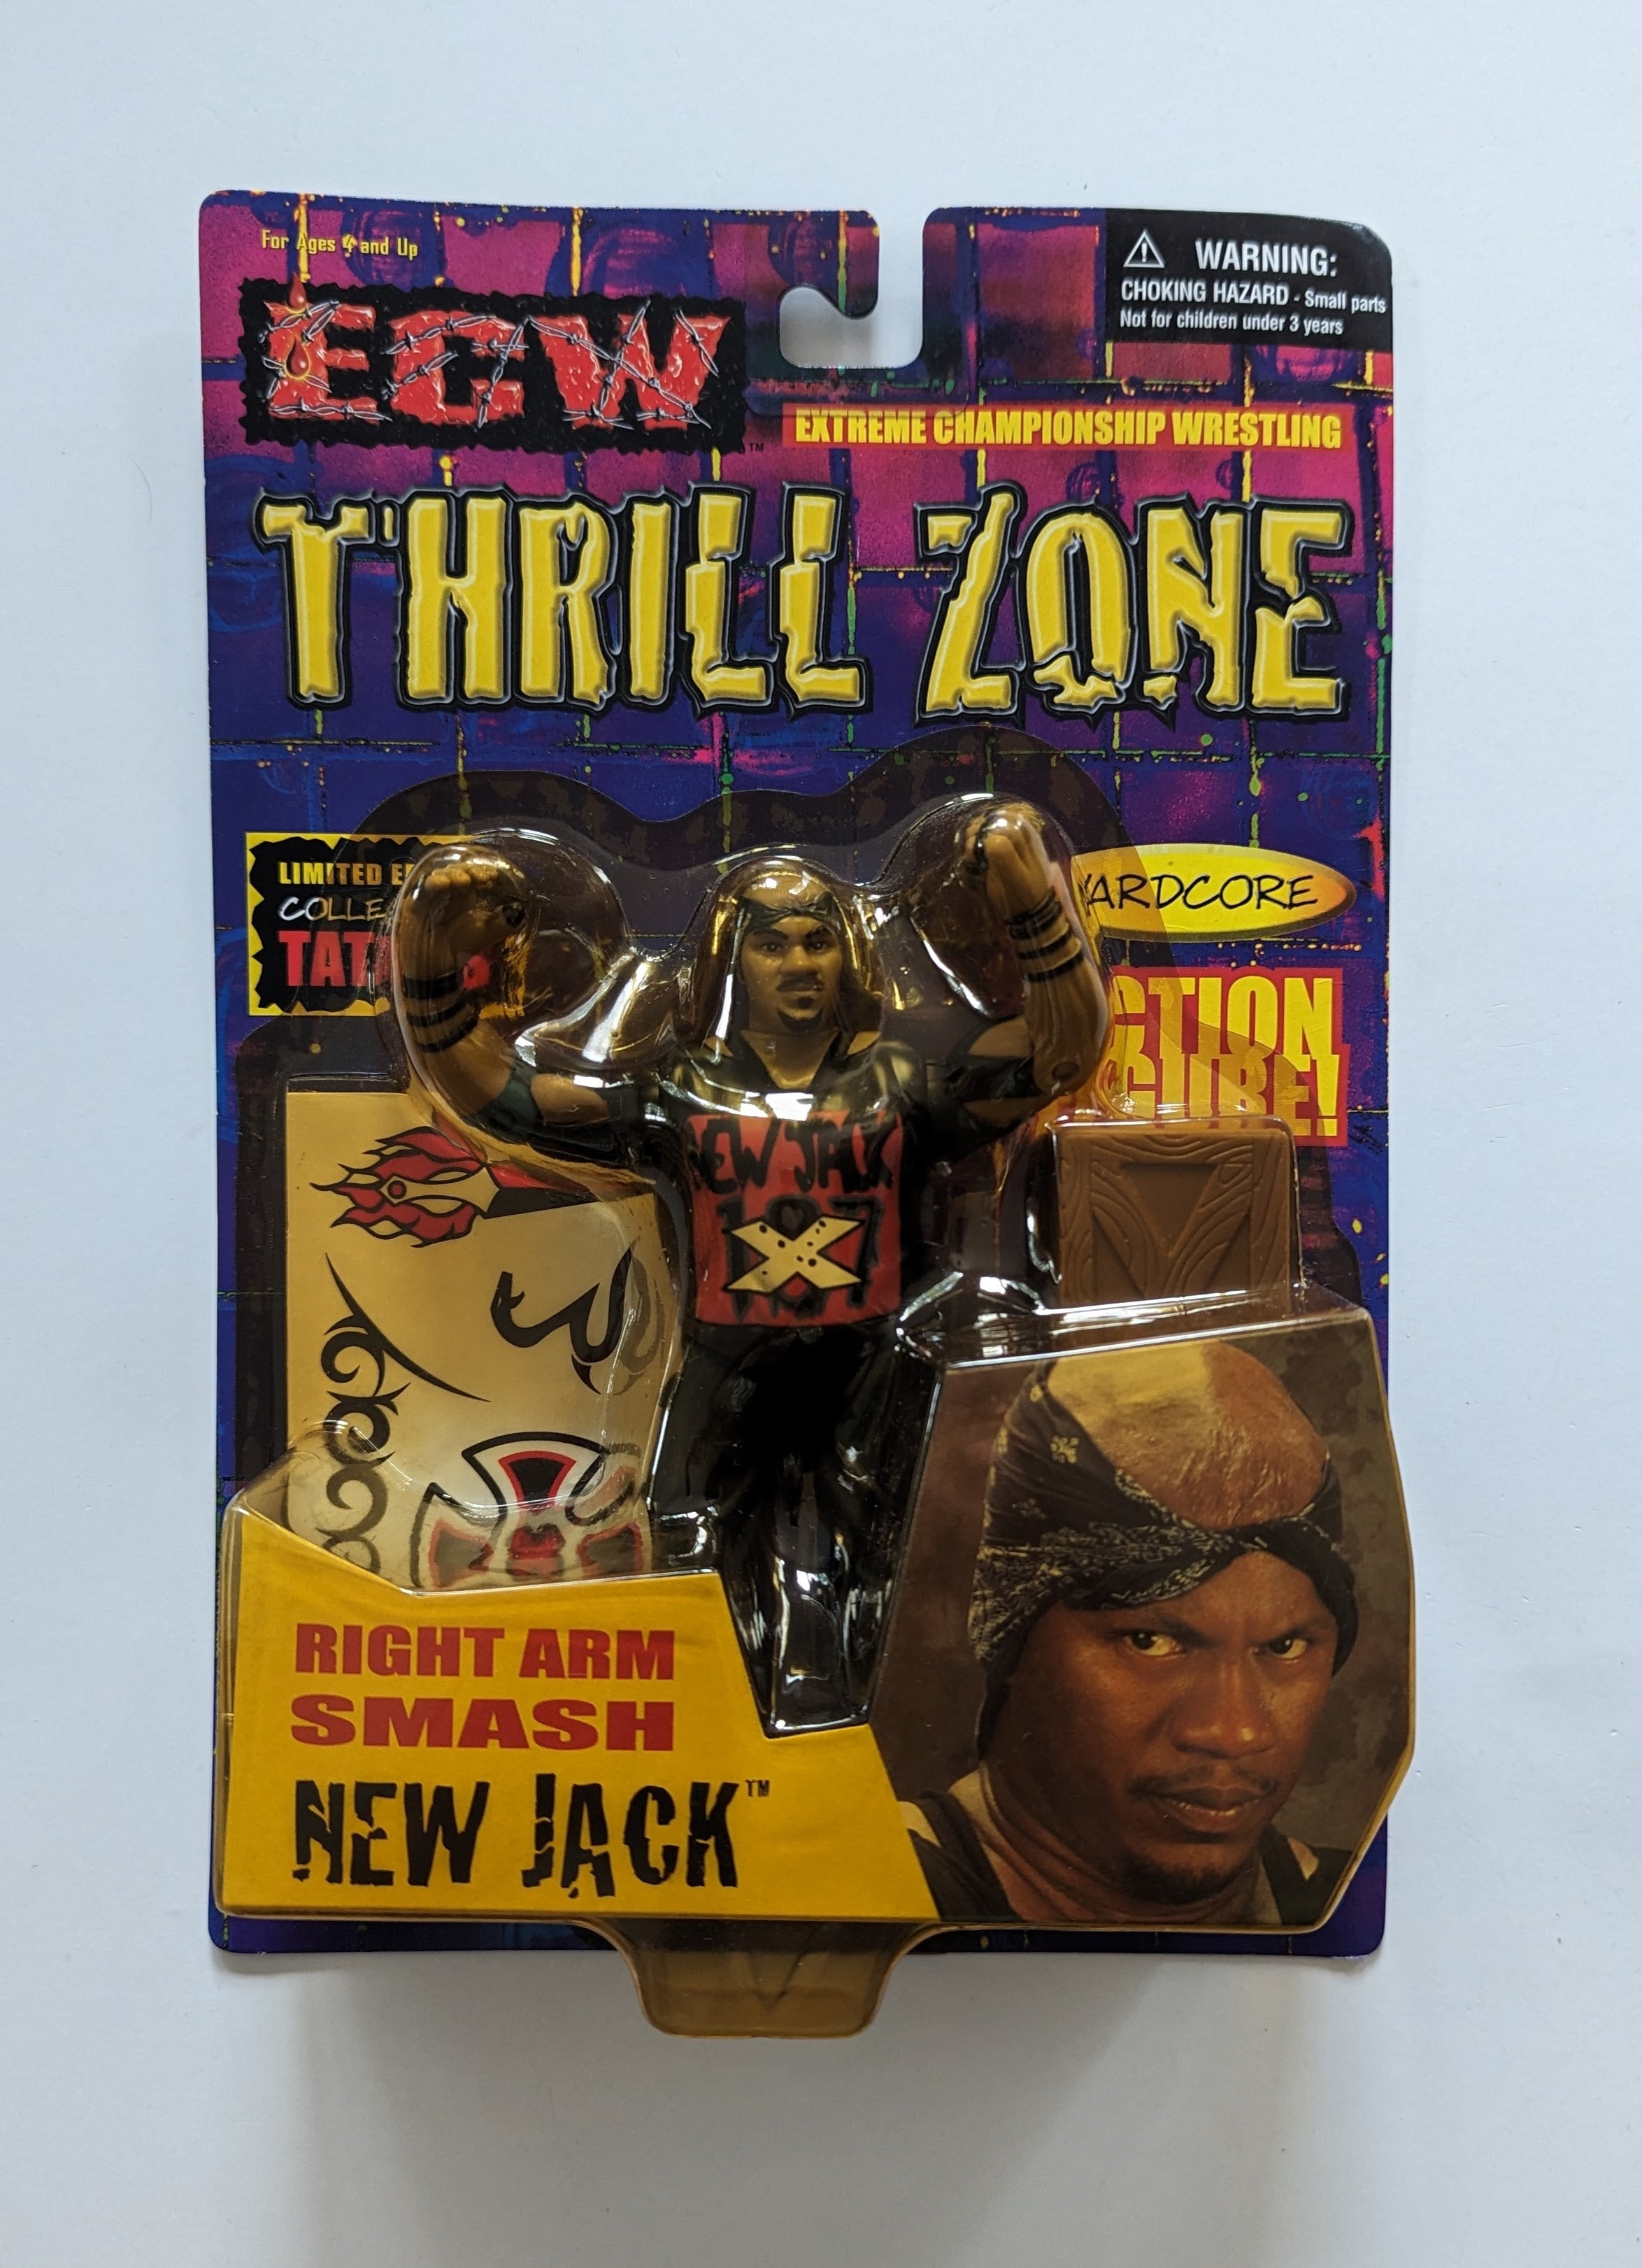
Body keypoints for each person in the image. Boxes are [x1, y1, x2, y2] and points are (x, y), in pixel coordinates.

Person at [390, 803, 1108, 1727]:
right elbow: (503, 1098)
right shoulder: (675, 1095)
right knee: (688, 1541)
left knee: (889, 1558)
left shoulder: (902, 1088)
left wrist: (1035, 905)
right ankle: (714, 1724)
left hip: (867, 1366)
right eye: (772, 944)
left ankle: (876, 1737)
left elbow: (1060, 1053)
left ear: (850, 958)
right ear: (730, 962)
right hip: (727, 1369)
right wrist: (429, 963)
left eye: (817, 941)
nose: (799, 964)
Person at [906, 1339, 1360, 1927]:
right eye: (1150, 1642)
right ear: (1012, 1633)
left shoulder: (1361, 1906)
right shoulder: (861, 1901)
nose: (1235, 1731)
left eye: (1284, 1646)